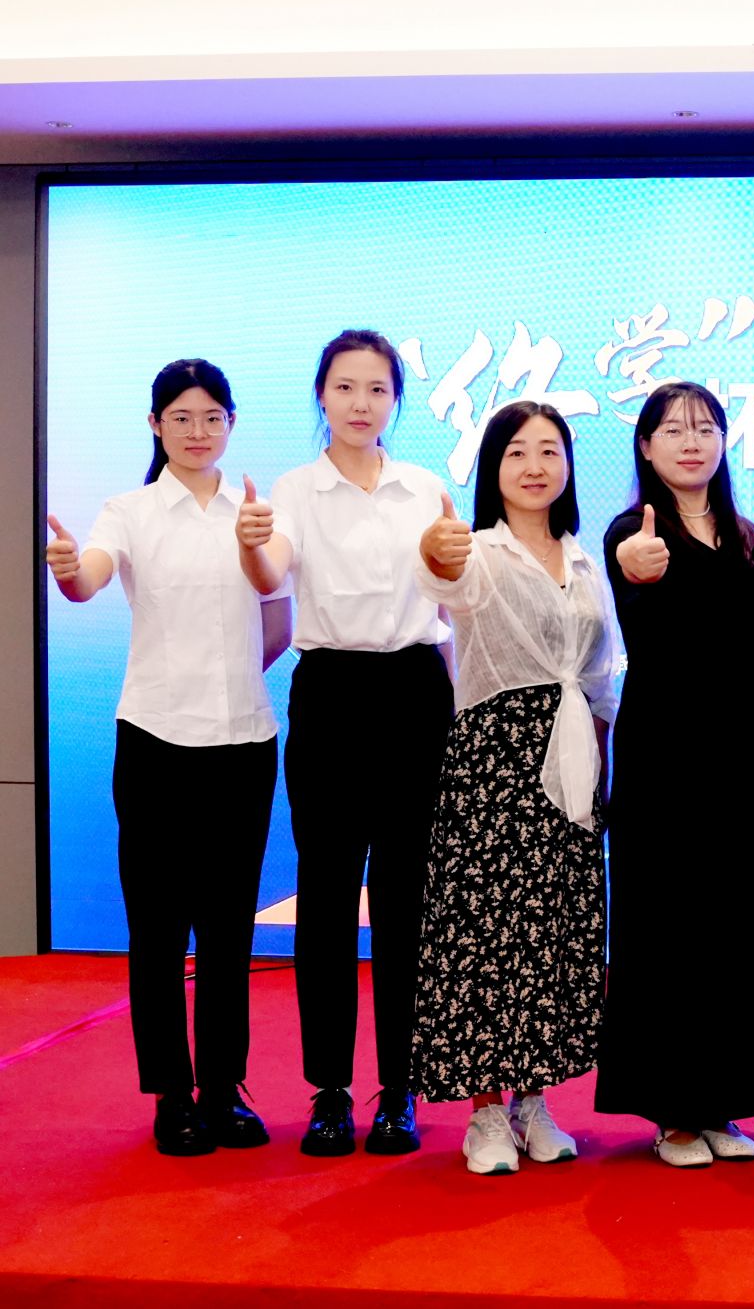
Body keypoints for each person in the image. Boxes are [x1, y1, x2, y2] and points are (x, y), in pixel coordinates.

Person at [45, 358, 290, 1155]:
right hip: (154, 741)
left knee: (228, 930)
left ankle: (222, 1089)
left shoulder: (255, 513)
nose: (197, 431)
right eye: (181, 417)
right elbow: (89, 577)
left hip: (243, 741)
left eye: (212, 416)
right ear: (155, 424)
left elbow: (279, 620)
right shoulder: (130, 511)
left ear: (231, 423)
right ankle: (172, 1095)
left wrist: (227, 676)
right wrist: (68, 571)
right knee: (157, 928)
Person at [237, 329, 454, 1158]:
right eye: (345, 387)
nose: (362, 403)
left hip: (415, 693)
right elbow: (272, 575)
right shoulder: (294, 490)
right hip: (329, 692)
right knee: (327, 899)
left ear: (395, 399)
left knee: (406, 901)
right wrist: (253, 544)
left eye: (377, 389)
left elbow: (450, 599)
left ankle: (399, 1089)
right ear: (321, 396)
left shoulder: (423, 486)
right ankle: (329, 1089)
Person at [409, 401, 619, 1174]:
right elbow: (445, 581)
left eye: (549, 450)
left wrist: (601, 761)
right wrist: (435, 550)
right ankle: (485, 1112)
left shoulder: (586, 561)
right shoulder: (479, 549)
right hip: (493, 759)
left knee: (551, 935)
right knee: (485, 933)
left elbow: (599, 677)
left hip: (574, 761)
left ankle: (533, 1100)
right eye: (517, 451)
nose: (535, 465)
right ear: (493, 467)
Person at [593, 381, 754, 1168]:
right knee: (666, 925)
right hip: (666, 758)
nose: (691, 440)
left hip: (744, 758)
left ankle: (720, 1100)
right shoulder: (631, 530)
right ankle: (673, 1110)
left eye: (705, 427)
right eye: (673, 429)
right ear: (646, 446)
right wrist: (634, 564)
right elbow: (631, 573)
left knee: (736, 925)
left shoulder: (749, 537)